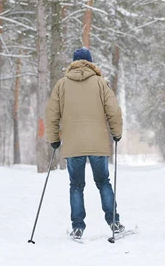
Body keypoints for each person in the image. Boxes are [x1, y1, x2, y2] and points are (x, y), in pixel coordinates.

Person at [45, 47, 124, 240]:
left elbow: (51, 114)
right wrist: (117, 133)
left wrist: (54, 138)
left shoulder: (62, 85)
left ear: (73, 63)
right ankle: (114, 221)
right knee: (103, 182)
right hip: (97, 142)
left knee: (76, 185)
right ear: (90, 62)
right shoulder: (100, 83)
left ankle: (78, 226)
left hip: (73, 144)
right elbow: (113, 110)